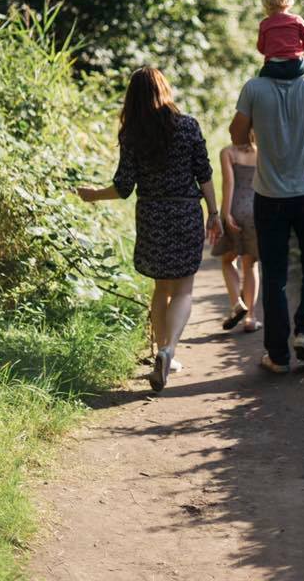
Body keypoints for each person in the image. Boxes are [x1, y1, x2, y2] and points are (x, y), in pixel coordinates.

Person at [76, 67, 222, 393]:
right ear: (164, 89)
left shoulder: (133, 135)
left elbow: (123, 187)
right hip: (185, 211)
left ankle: (160, 352)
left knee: (162, 288)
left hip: (153, 214)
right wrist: (213, 213)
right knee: (184, 289)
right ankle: (170, 352)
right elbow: (205, 174)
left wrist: (94, 196)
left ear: (133, 98)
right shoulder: (187, 126)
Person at [229, 64, 304, 373]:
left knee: (274, 274)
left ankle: (278, 357)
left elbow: (238, 135)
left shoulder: (254, 87)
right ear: (302, 49)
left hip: (270, 196)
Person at [211, 131, 261, 332]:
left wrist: (225, 215)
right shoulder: (264, 152)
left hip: (236, 210)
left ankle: (237, 306)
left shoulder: (228, 153)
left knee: (228, 260)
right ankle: (251, 318)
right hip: (258, 210)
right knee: (251, 265)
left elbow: (228, 184)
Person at [257, 0, 304, 80]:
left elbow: (261, 48)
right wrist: (302, 49)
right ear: (289, 0)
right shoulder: (296, 19)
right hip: (296, 65)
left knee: (261, 78)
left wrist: (273, 50)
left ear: (265, 4)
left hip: (272, 68)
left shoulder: (265, 24)